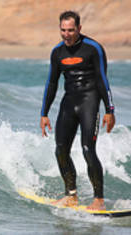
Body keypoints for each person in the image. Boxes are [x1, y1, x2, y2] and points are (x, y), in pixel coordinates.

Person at [40, 11, 115, 210]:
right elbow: (52, 83)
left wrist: (109, 109)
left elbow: (102, 80)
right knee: (61, 150)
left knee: (88, 150)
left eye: (71, 30)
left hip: (90, 101)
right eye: (63, 30)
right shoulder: (57, 52)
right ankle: (71, 195)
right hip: (69, 102)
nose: (67, 34)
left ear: (79, 29)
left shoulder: (93, 48)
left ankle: (98, 199)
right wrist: (44, 114)